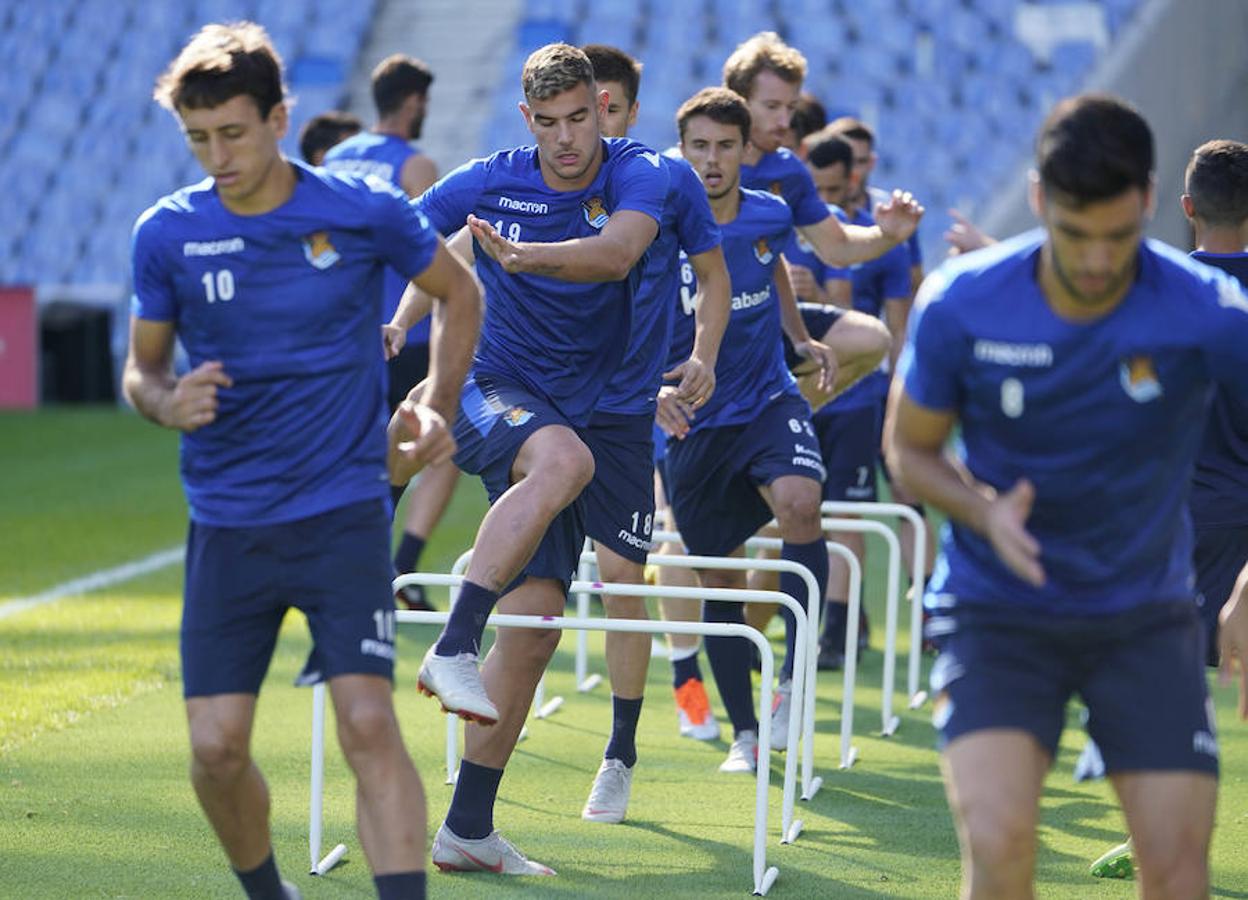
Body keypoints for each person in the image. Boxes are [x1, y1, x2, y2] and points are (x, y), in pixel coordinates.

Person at [123, 22, 480, 900]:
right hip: (227, 524)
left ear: (279, 118)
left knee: (366, 720)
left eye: (233, 133)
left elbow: (459, 292)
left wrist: (434, 401)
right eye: (198, 139)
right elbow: (142, 369)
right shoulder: (166, 234)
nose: (218, 155)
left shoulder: (361, 211)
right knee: (215, 751)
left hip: (342, 511)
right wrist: (168, 402)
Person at [885, 93, 1248, 899]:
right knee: (1000, 839)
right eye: (1074, 235)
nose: (1094, 261)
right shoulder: (963, 301)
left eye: (1118, 238)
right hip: (997, 608)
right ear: (1041, 200)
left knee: (1179, 867)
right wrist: (981, 509)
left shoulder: (1210, 311)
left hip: (1147, 615)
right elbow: (909, 449)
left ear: (1151, 203)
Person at [411, 43, 669, 875]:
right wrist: (390, 320)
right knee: (563, 465)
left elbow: (620, 254)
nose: (565, 140)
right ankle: (452, 641)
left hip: (599, 409)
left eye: (579, 119)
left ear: (603, 107)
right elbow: (409, 232)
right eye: (548, 124)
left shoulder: (634, 175)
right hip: (500, 388)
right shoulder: (490, 177)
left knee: (538, 630)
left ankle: (467, 830)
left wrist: (523, 258)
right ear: (529, 122)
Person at [662, 85, 841, 771]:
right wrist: (651, 389)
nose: (711, 160)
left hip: (768, 398)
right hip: (692, 419)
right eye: (699, 146)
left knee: (800, 504)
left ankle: (792, 681)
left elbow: (778, 274)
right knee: (719, 578)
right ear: (681, 150)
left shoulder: (768, 212)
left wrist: (800, 339)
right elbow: (628, 315)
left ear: (746, 151)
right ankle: (744, 731)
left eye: (724, 146)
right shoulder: (654, 221)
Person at [574, 44, 731, 825]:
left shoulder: (665, 182)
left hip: (636, 418)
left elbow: (714, 275)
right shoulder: (534, 178)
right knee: (535, 591)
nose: (585, 126)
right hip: (553, 406)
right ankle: (475, 795)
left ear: (629, 113)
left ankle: (622, 751)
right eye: (573, 111)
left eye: (603, 109)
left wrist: (695, 360)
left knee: (625, 582)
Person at [1088, 137, 1248, 880]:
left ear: (1186, 208)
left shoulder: (1159, 294)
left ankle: (1152, 833)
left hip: (1182, 515)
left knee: (1167, 685)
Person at [324, 55, 453, 613]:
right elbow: (437, 257)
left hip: (342, 331)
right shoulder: (415, 166)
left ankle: (344, 567)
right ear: (414, 102)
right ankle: (402, 568)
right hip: (404, 336)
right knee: (438, 449)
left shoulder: (331, 159)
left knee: (350, 450)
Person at [786, 130, 912, 669]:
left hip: (858, 396)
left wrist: (899, 392)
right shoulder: (785, 230)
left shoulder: (879, 242)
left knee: (851, 516)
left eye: (834, 188)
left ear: (854, 179)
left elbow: (897, 325)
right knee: (793, 510)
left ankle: (838, 633)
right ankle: (781, 627)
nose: (826, 198)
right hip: (800, 393)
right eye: (817, 188)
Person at [722, 32, 923, 269]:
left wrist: (886, 235)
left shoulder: (789, 171)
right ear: (738, 101)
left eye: (791, 108)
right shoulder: (692, 169)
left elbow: (837, 247)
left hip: (761, 306)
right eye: (772, 107)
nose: (784, 122)